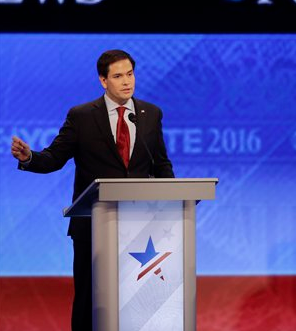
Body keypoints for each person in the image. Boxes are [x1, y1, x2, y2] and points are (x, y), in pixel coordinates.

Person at [10, 49, 175, 331]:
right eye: (118, 76)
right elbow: (54, 158)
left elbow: (161, 164)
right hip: (93, 226)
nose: (127, 82)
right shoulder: (83, 116)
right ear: (103, 81)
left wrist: (173, 204)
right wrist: (29, 158)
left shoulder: (150, 114)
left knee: (140, 302)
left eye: (130, 74)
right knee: (90, 302)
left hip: (141, 228)